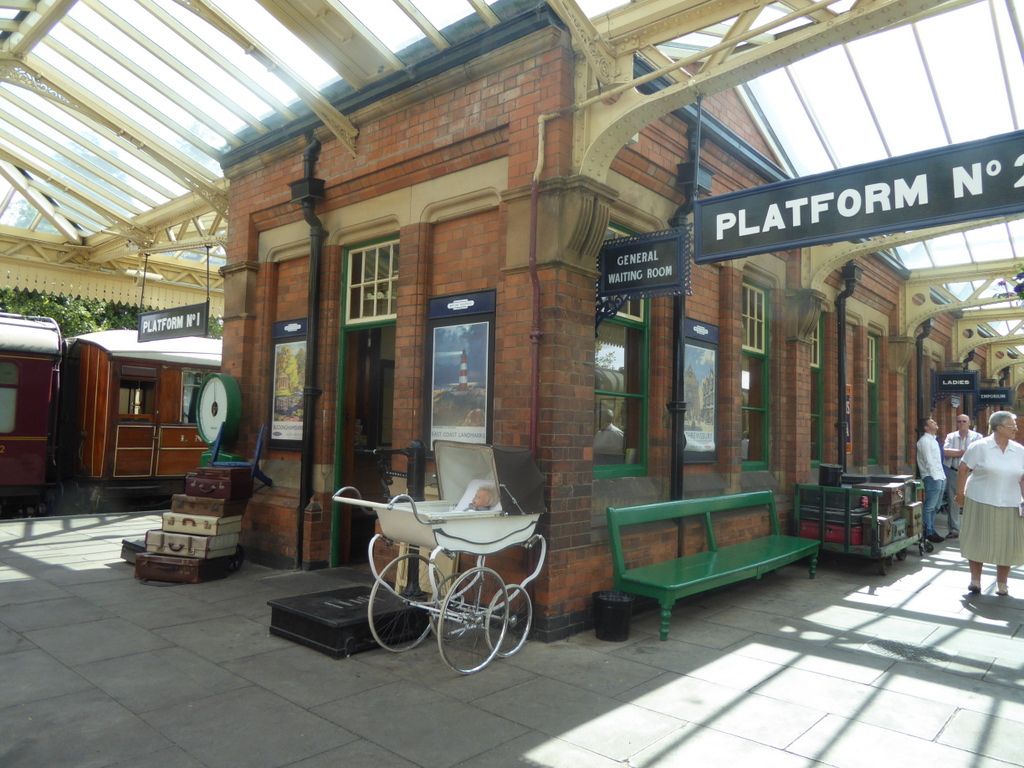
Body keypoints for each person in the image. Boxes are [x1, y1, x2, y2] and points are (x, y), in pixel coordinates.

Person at [954, 410, 1024, 596]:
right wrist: (960, 494)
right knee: (978, 540)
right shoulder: (980, 447)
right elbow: (963, 469)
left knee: (1007, 545)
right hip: (980, 500)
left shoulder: (1019, 450)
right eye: (1012, 426)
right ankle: (975, 581)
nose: (1015, 429)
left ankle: (1002, 584)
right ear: (999, 428)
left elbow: (1023, 479)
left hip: (1010, 502)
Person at [942, 414, 982, 539]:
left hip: (972, 473)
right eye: (959, 421)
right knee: (954, 501)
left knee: (973, 500)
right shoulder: (951, 436)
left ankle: (972, 529)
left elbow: (979, 454)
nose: (961, 423)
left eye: (964, 421)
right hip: (954, 472)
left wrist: (957, 453)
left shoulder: (977, 437)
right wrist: (965, 453)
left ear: (969, 423)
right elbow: (946, 452)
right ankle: (954, 529)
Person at [916, 417, 946, 544]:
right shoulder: (924, 441)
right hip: (932, 476)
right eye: (932, 422)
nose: (935, 423)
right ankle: (928, 531)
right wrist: (936, 478)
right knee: (929, 506)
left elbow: (937, 461)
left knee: (936, 506)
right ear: (926, 427)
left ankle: (931, 530)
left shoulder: (933, 440)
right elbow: (929, 462)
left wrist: (942, 477)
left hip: (940, 476)